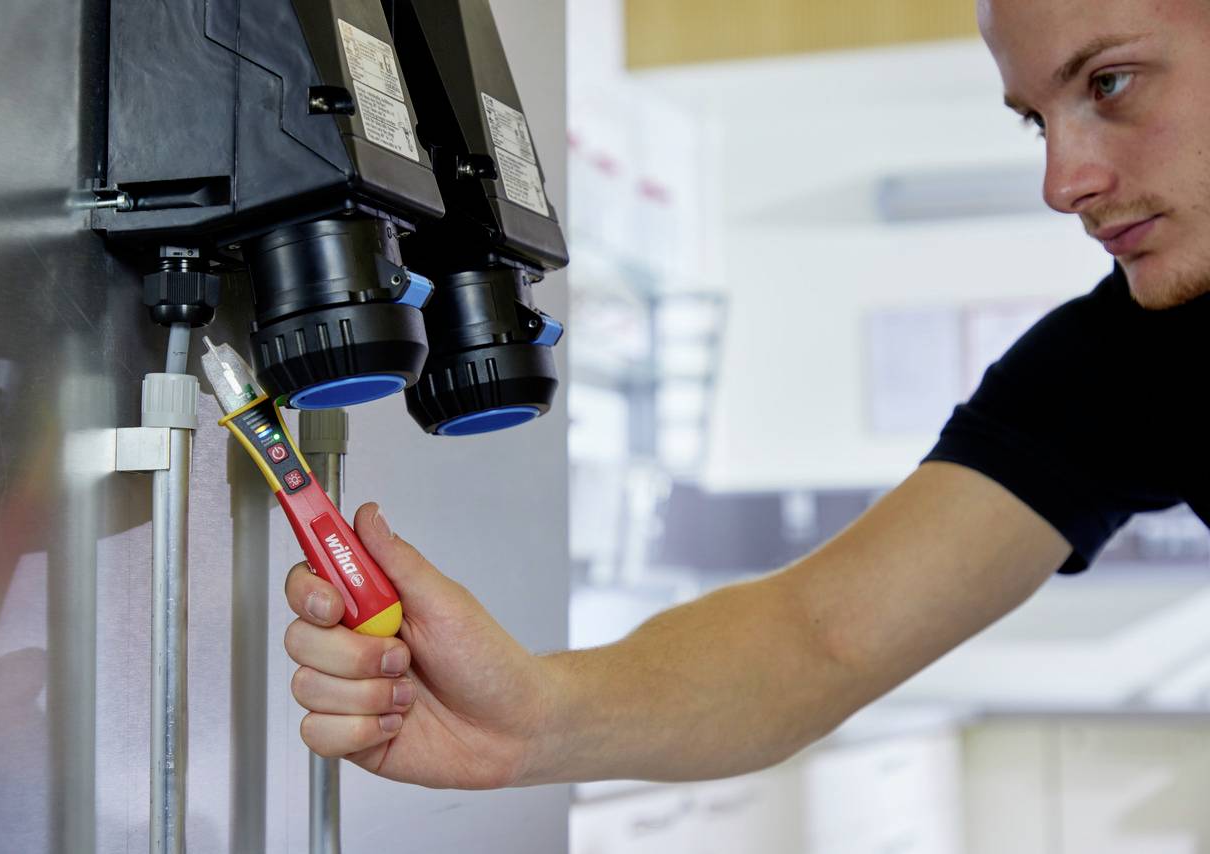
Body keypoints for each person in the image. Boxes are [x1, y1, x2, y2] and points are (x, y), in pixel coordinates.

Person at [281, 0, 1210, 789]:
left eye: (1110, 83)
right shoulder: (1121, 362)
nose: (1064, 182)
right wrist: (532, 718)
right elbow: (819, 638)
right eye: (1036, 122)